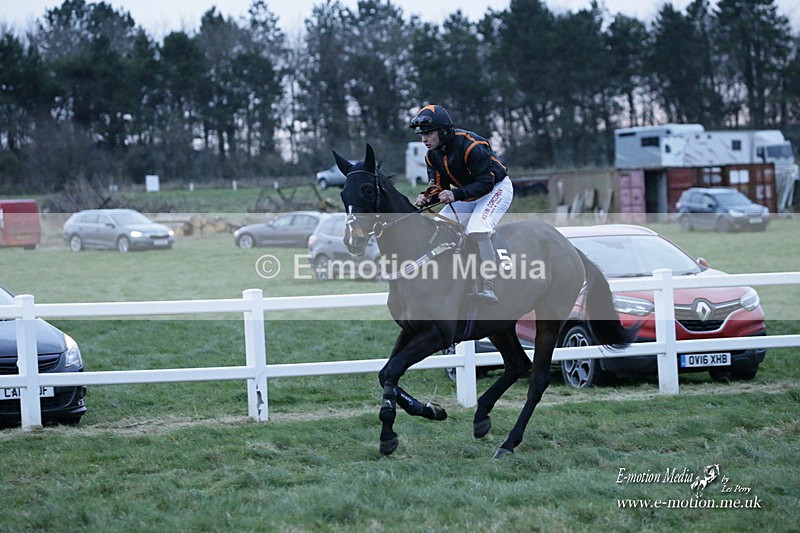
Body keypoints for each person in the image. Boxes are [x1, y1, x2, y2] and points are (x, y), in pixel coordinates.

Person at [409, 104, 513, 303]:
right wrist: (426, 197)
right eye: (422, 134)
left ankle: (488, 284)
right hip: (467, 192)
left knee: (477, 228)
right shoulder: (432, 155)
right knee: (441, 227)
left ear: (443, 131)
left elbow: (485, 183)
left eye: (429, 133)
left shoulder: (473, 145)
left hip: (495, 189)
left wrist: (456, 194)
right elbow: (438, 186)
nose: (424, 139)